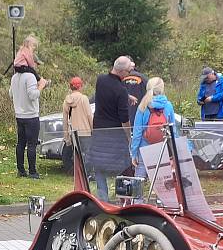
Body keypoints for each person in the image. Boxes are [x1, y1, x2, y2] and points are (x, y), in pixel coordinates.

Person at [90, 56, 134, 201]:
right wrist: (129, 136)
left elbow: (110, 91)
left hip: (98, 133)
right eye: (128, 71)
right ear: (121, 72)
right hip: (115, 136)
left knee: (99, 168)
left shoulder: (100, 80)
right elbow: (124, 119)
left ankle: (103, 200)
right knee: (123, 168)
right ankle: (125, 200)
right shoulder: (121, 90)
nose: (129, 74)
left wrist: (127, 96)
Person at [130, 77, 176, 178]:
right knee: (163, 179)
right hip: (162, 147)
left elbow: (137, 132)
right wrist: (174, 151)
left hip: (144, 147)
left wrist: (134, 153)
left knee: (140, 178)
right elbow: (173, 131)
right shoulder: (168, 105)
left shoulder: (143, 106)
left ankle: (139, 194)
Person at [10, 66, 47, 179]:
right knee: (32, 144)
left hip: (19, 115)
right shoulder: (30, 76)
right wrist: (41, 86)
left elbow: (10, 94)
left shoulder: (14, 77)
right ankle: (32, 172)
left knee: (20, 143)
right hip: (31, 115)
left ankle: (21, 170)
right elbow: (33, 95)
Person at [62, 76, 93, 165]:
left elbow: (65, 120)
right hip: (85, 132)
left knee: (76, 155)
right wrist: (93, 130)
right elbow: (89, 116)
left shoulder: (66, 101)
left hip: (73, 133)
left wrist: (66, 136)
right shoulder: (84, 99)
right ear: (80, 86)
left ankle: (77, 173)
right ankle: (87, 173)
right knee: (87, 154)